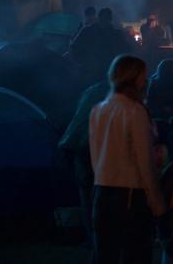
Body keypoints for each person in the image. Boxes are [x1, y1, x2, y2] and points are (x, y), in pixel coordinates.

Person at [88, 55, 167, 264]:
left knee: (105, 255)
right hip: (130, 196)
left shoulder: (99, 110)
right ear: (136, 77)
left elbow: (95, 155)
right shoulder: (134, 111)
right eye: (143, 74)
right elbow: (145, 163)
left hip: (102, 193)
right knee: (133, 255)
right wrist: (158, 204)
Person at [58, 80, 111, 247]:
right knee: (98, 195)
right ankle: (99, 239)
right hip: (89, 148)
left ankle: (93, 239)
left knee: (87, 195)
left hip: (77, 146)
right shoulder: (114, 96)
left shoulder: (91, 90)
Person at [70, 7, 132, 87]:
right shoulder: (89, 31)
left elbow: (126, 50)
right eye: (104, 18)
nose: (105, 21)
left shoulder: (115, 34)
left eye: (106, 19)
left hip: (104, 72)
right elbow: (75, 47)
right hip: (95, 71)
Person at [147, 59, 173, 159]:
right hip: (160, 117)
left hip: (169, 116)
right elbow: (151, 100)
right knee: (163, 141)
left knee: (169, 140)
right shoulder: (156, 82)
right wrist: (163, 108)